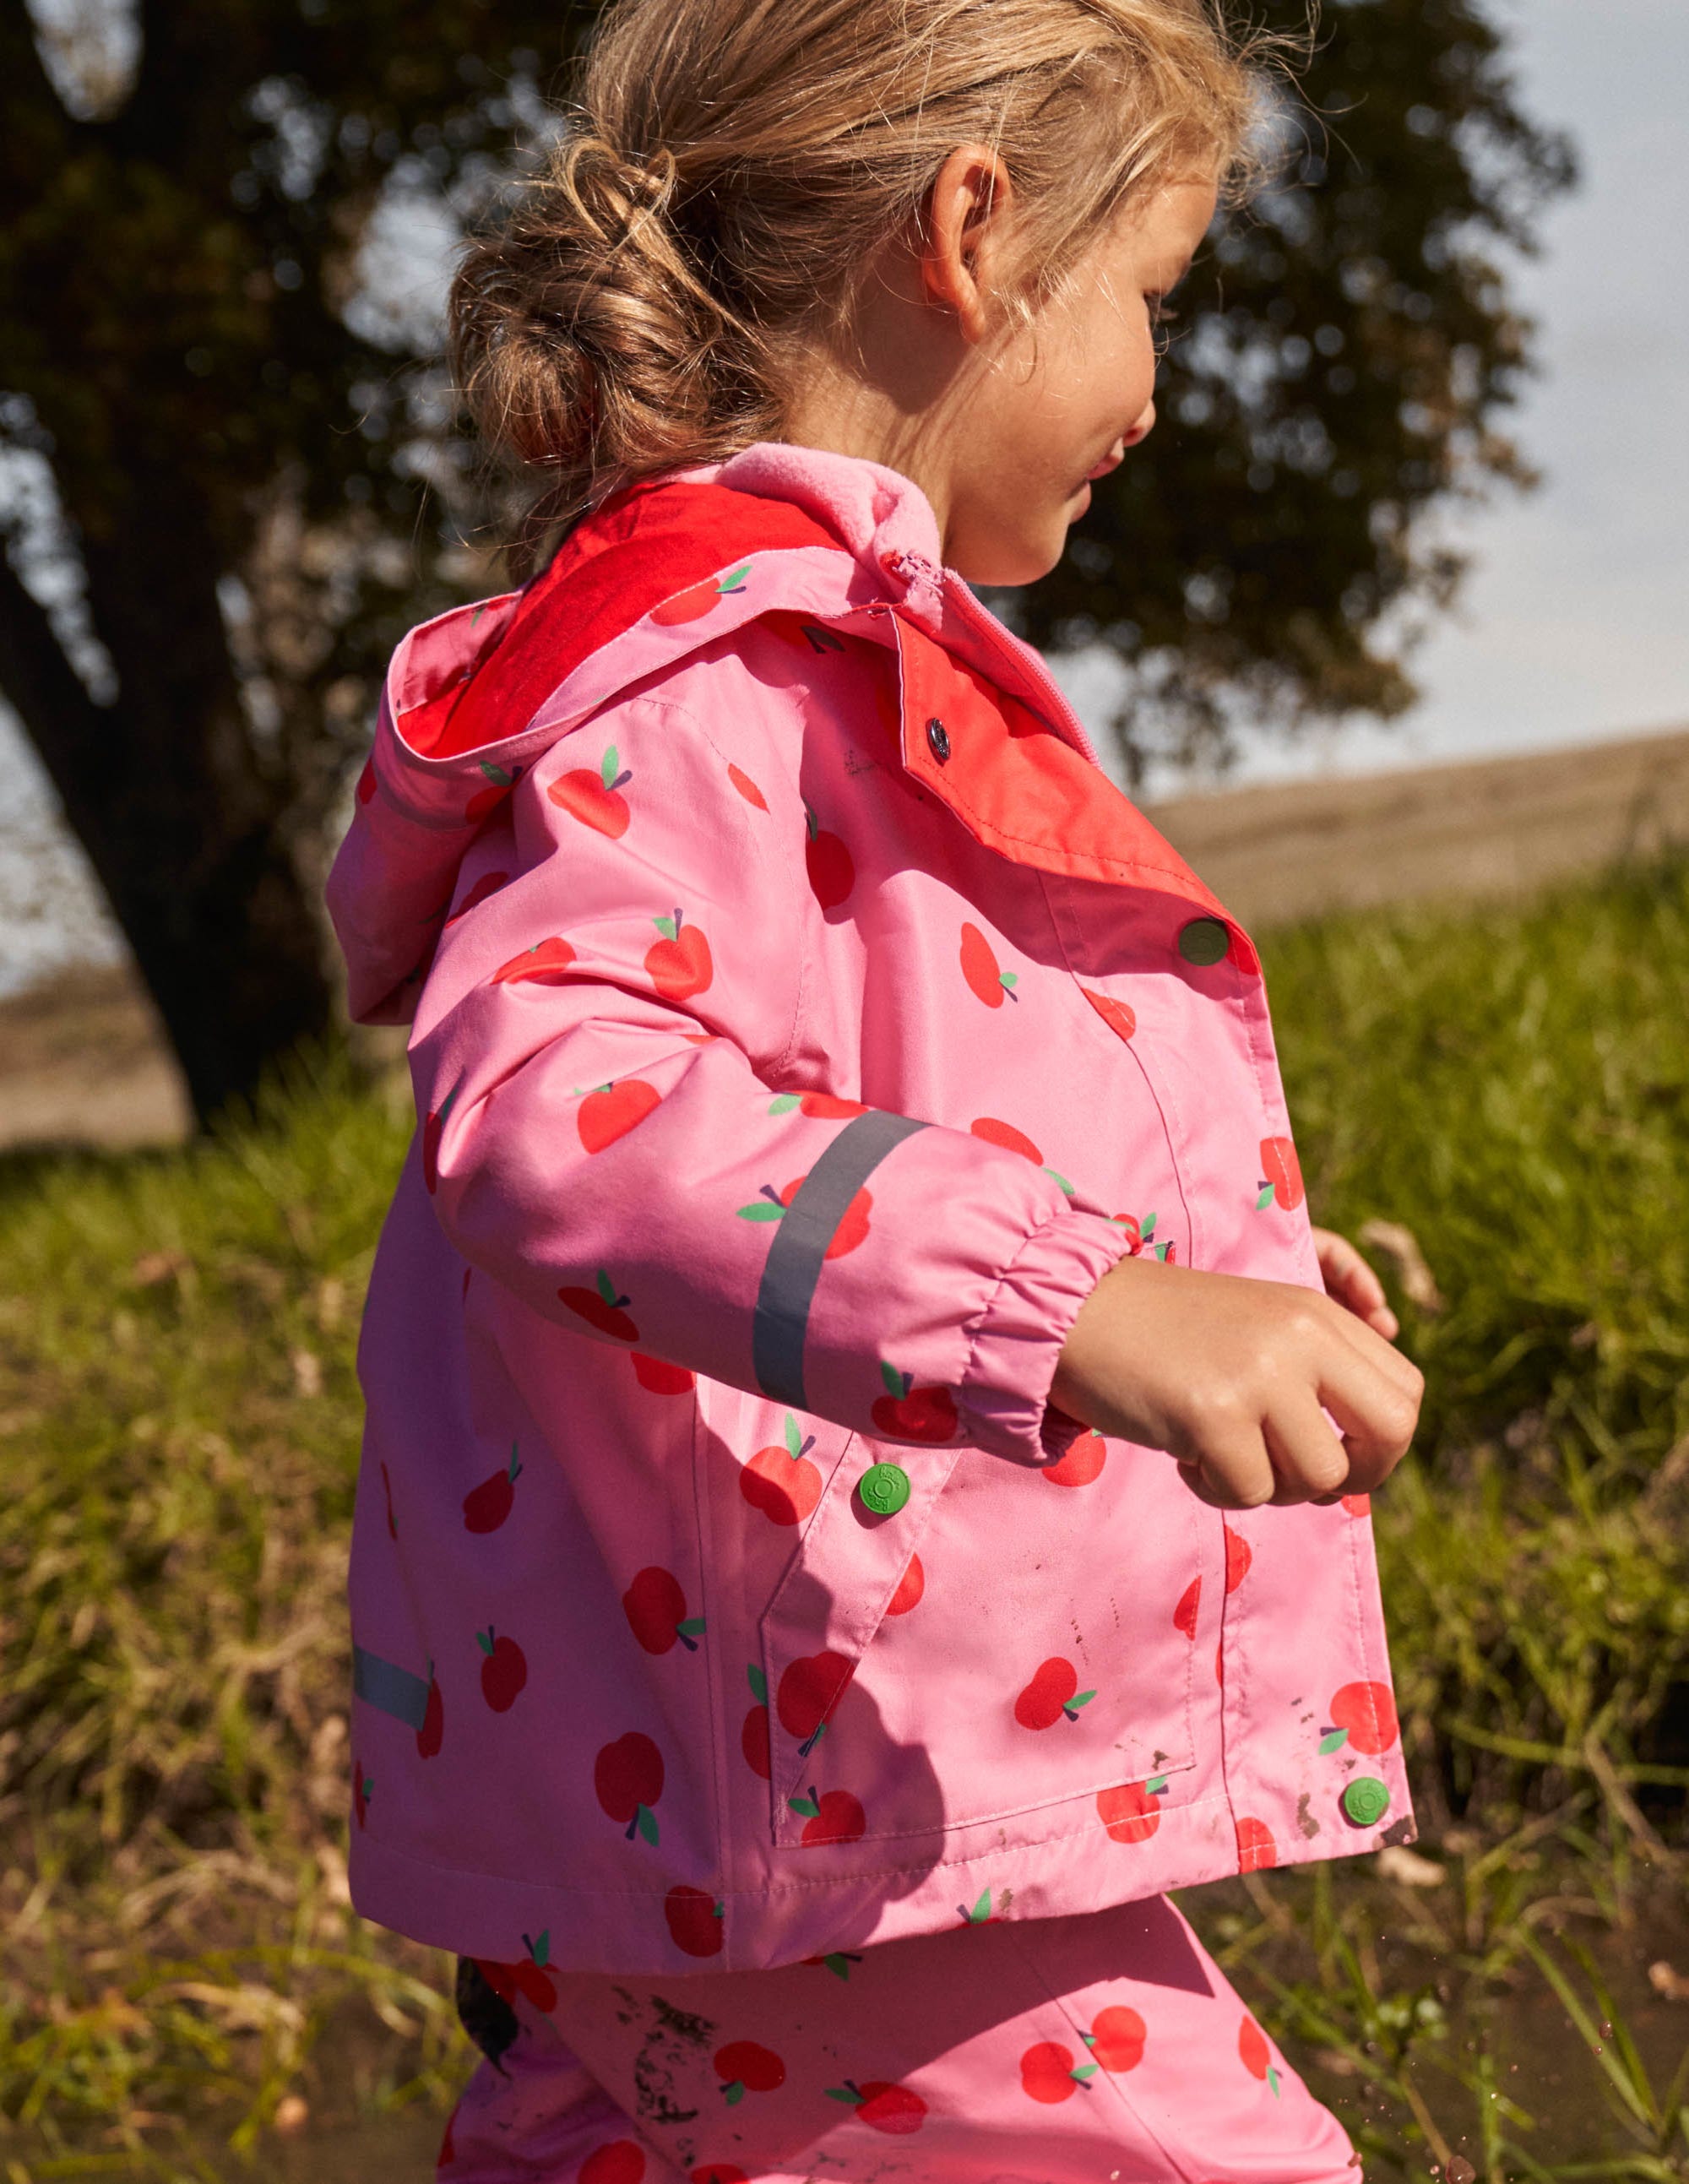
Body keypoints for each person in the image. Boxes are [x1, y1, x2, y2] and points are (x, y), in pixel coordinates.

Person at [328, 0, 1426, 2175]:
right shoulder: (709, 678)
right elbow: (566, 1109)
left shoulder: (797, 654)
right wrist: (1082, 1311)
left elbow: (889, 1068)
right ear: (971, 232)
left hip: (749, 1766)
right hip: (800, 1763)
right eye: (1151, 300)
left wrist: (1209, 1268)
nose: (1155, 378)